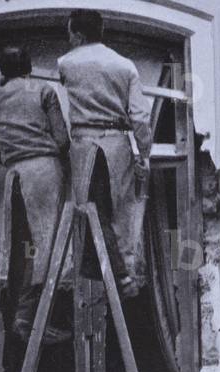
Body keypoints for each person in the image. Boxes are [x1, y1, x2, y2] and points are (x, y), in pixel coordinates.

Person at [0, 46, 71, 343]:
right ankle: (32, 317)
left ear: (3, 69)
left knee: (23, 244)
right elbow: (62, 139)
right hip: (43, 172)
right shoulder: (43, 90)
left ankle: (24, 315)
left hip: (13, 175)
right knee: (47, 243)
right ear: (29, 66)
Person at [57, 9, 151, 298]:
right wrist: (143, 152)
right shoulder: (125, 66)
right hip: (116, 143)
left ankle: (116, 276)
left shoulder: (65, 63)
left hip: (84, 143)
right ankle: (119, 275)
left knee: (90, 210)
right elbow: (140, 116)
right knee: (117, 212)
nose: (69, 39)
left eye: (71, 33)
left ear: (79, 34)